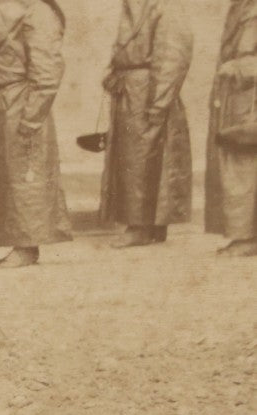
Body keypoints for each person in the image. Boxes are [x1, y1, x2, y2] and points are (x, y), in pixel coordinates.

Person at [0, 0, 72, 268]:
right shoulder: (3, 8)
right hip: (2, 100)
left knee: (25, 175)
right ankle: (18, 243)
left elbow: (47, 72)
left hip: (22, 102)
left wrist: (31, 117)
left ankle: (27, 248)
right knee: (8, 176)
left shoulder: (38, 11)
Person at [99, 0, 194, 247]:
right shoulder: (135, 4)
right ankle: (148, 225)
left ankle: (141, 227)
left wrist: (160, 102)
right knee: (133, 159)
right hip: (133, 89)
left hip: (149, 91)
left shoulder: (166, 5)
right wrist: (115, 72)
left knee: (143, 158)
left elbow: (174, 56)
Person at [206, 0, 257, 256]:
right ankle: (242, 235)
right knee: (237, 168)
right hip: (238, 98)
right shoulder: (241, 6)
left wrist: (239, 68)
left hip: (250, 102)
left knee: (245, 169)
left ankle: (248, 238)